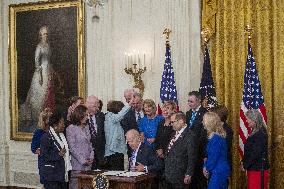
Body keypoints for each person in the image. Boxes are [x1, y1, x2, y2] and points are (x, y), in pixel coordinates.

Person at [20, 26, 56, 123]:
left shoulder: (48, 45)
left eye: (46, 34)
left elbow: (49, 60)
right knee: (39, 94)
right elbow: (36, 61)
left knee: (49, 92)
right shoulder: (39, 46)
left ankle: (47, 115)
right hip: (41, 72)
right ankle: (37, 116)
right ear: (40, 35)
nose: (45, 36)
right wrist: (40, 75)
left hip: (48, 71)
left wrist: (51, 70)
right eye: (43, 34)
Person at [163, 112, 197, 188]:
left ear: (181, 121)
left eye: (173, 122)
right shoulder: (173, 134)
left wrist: (188, 174)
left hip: (181, 176)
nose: (171, 124)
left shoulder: (190, 136)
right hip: (169, 175)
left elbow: (192, 157)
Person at [40, 109, 72, 189]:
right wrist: (59, 154)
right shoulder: (46, 137)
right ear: (55, 125)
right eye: (62, 123)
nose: (64, 125)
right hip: (52, 176)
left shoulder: (62, 136)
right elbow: (45, 156)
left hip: (62, 174)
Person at [66, 105, 94, 189]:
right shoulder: (71, 128)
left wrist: (91, 156)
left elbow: (90, 144)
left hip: (88, 164)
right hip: (77, 165)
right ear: (79, 115)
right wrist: (83, 160)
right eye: (86, 115)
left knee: (87, 186)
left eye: (88, 115)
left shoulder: (87, 127)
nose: (87, 117)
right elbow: (72, 148)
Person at [241, 109, 269, 189]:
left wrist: (245, 165)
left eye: (248, 119)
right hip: (254, 168)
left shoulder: (260, 133)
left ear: (254, 120)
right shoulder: (256, 131)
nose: (246, 121)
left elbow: (255, 153)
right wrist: (243, 161)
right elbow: (250, 151)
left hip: (258, 170)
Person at [185, 91, 208, 189]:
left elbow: (205, 134)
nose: (189, 103)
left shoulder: (205, 113)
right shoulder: (188, 113)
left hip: (200, 150)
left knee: (200, 179)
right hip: (189, 150)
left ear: (199, 101)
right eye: (188, 101)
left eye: (191, 101)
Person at [202, 112, 230, 189]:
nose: (202, 122)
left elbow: (213, 158)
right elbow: (208, 156)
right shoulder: (213, 136)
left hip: (219, 171)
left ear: (209, 123)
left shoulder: (216, 138)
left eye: (204, 120)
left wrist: (206, 168)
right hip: (215, 170)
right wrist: (205, 166)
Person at [104, 99, 133, 170]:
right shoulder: (110, 116)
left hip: (118, 151)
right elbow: (120, 115)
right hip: (113, 152)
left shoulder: (116, 120)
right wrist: (130, 104)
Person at [31, 108, 52, 187]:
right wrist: (41, 150)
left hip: (55, 161)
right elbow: (33, 148)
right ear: (45, 120)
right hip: (44, 162)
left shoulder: (53, 130)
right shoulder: (38, 132)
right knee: (46, 183)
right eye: (50, 119)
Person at [85, 95, 106, 170]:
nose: (97, 109)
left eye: (98, 106)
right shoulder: (82, 117)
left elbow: (103, 135)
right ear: (88, 106)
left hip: (100, 154)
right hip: (87, 154)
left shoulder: (101, 116)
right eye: (95, 107)